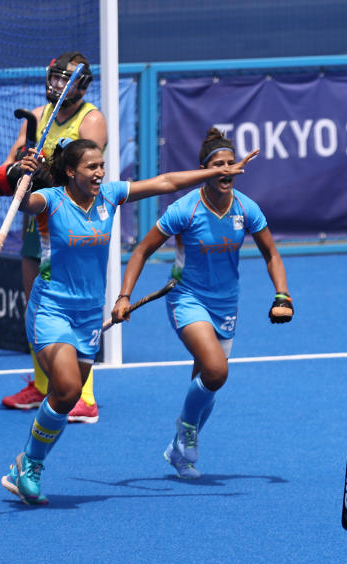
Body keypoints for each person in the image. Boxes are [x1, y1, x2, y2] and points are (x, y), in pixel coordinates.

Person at [0, 138, 258, 506]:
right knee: (69, 388)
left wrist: (215, 171)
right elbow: (24, 201)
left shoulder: (110, 195)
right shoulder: (52, 200)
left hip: (89, 314)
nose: (100, 172)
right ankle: (31, 465)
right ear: (71, 171)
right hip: (52, 308)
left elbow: (166, 182)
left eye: (102, 165)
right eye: (91, 167)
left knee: (67, 396)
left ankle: (27, 460)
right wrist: (15, 175)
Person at [112, 128, 291, 479]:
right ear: (204, 169)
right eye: (217, 165)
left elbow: (272, 253)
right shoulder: (185, 209)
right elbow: (142, 251)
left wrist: (282, 295)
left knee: (209, 381)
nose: (226, 170)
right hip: (186, 298)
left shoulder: (246, 208)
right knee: (216, 370)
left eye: (230, 163)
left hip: (226, 305)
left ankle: (179, 452)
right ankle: (187, 429)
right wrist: (123, 295)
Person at [0, 52, 108, 423]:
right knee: (37, 309)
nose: (55, 87)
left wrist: (49, 173)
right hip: (35, 221)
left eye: (64, 81)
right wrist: (16, 168)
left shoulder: (91, 119)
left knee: (71, 308)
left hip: (71, 225)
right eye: (54, 79)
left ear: (81, 86)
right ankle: (44, 386)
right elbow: (12, 165)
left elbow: (89, 175)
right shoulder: (39, 117)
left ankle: (83, 395)